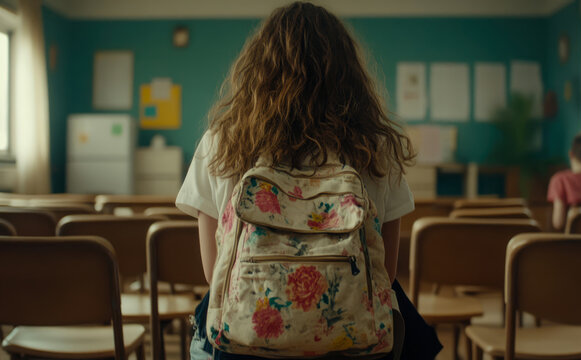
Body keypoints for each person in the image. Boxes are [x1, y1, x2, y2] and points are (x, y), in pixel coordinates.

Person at [176, 2, 441, 359]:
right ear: (348, 73)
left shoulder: (222, 141)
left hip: (245, 346)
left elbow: (215, 274)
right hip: (353, 346)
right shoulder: (376, 148)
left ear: (258, 68)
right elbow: (384, 274)